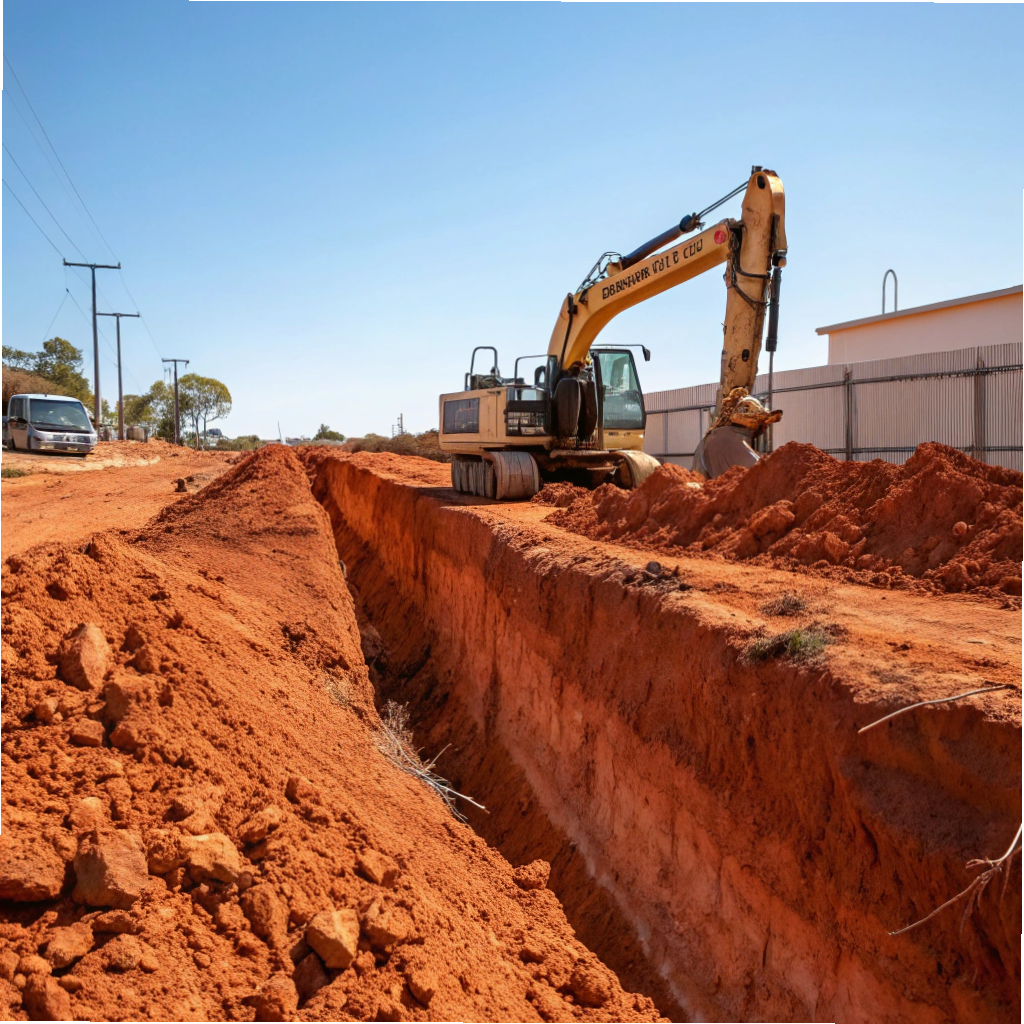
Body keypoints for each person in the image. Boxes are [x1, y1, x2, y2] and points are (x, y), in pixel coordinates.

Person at [693, 387, 782, 478]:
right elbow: (759, 473)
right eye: (762, 424)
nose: (764, 429)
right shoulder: (729, 440)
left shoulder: (718, 435)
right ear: (753, 422)